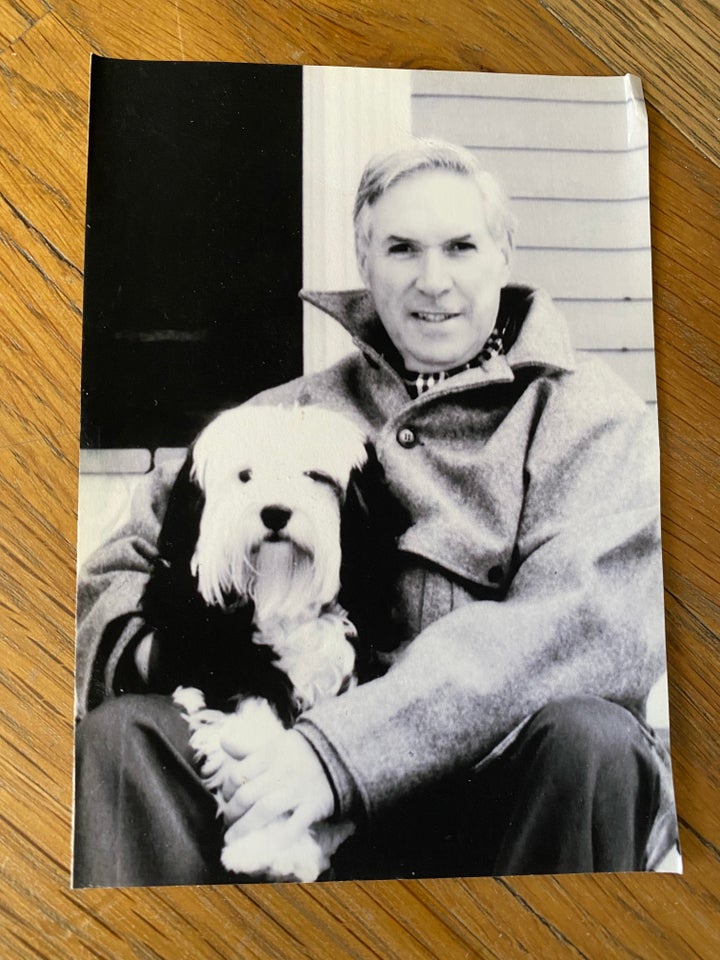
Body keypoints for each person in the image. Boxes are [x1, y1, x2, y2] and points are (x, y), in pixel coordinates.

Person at [74, 140, 676, 887]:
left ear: (504, 251)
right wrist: (172, 656)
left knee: (595, 741)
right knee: (124, 737)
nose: (433, 281)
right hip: (278, 792)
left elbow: (592, 623)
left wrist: (340, 753)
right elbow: (115, 571)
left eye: (460, 246)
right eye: (401, 248)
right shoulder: (289, 414)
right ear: (365, 259)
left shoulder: (591, 420)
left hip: (495, 797)